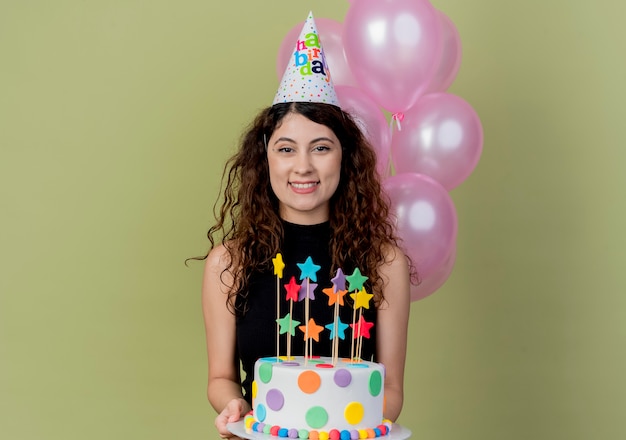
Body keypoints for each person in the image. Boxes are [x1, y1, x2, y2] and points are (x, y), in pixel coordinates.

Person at [197, 13, 413, 439]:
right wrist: (235, 405)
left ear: (344, 157)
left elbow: (390, 389)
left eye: (321, 147)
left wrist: (330, 423)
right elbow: (220, 379)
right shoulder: (230, 262)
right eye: (286, 148)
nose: (303, 166)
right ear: (266, 159)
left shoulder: (384, 262)